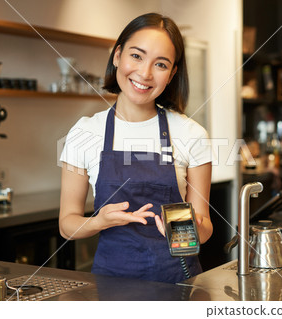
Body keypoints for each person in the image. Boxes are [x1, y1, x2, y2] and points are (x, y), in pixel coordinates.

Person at [59, 12, 213, 284]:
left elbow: (205, 225)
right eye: (137, 56)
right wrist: (99, 221)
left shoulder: (192, 134)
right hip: (111, 288)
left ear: (172, 74)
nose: (145, 73)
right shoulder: (84, 132)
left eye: (161, 64)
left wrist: (185, 230)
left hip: (178, 284)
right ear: (117, 56)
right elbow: (67, 224)